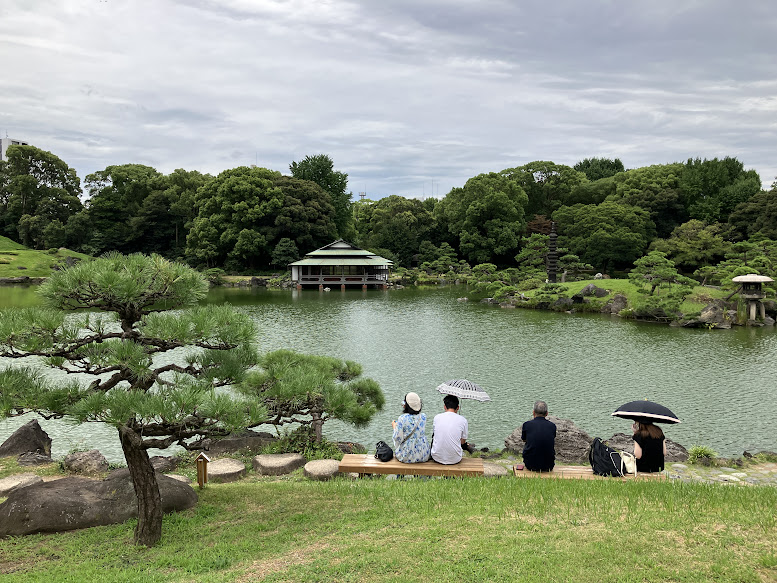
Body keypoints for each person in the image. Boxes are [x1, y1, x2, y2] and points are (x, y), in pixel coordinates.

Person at [431, 394, 473, 464]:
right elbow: (462, 442)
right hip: (455, 459)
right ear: (458, 407)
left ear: (445, 407)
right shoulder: (463, 420)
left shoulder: (437, 417)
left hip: (436, 457)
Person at [391, 392, 431, 463]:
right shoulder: (423, 417)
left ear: (406, 405)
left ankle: (400, 474)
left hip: (407, 455)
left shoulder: (402, 418)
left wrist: (394, 427)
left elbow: (397, 438)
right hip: (423, 453)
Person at [520, 400, 556, 471]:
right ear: (547, 414)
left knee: (528, 444)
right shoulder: (552, 426)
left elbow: (524, 439)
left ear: (533, 413)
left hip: (530, 465)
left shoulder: (527, 425)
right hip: (549, 465)